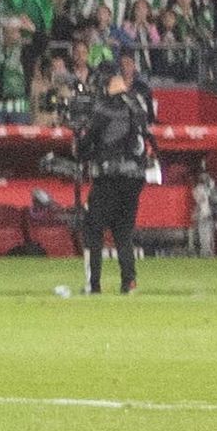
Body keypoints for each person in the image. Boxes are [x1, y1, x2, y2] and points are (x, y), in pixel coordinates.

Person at [65, 56, 156, 295]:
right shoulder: (136, 102)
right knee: (123, 231)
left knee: (93, 229)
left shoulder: (105, 106)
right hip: (135, 176)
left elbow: (89, 142)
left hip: (110, 175)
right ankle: (129, 281)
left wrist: (80, 145)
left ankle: (93, 284)